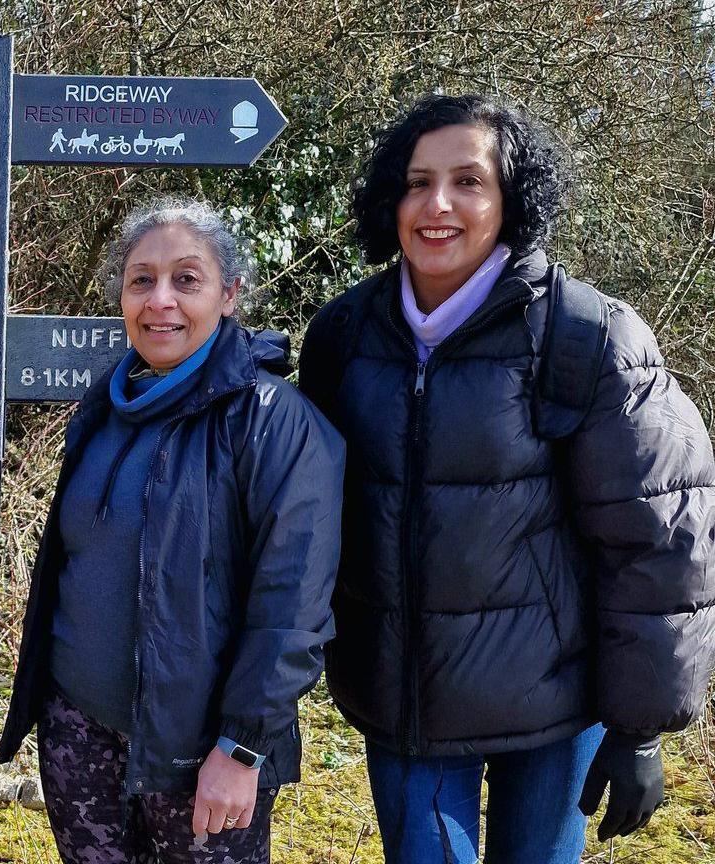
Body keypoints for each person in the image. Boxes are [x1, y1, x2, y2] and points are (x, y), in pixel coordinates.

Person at [298, 94, 715, 864]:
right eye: (417, 182)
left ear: (511, 199)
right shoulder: (342, 338)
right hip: (405, 705)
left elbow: (660, 534)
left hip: (555, 710)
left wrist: (642, 725)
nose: (438, 204)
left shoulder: (589, 336)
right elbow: (303, 521)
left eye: (468, 181)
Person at [0, 197, 345, 863]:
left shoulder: (274, 421)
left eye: (187, 279)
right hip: (81, 736)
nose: (161, 300)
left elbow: (292, 607)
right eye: (141, 280)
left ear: (230, 294)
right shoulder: (106, 408)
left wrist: (242, 747)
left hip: (203, 753)